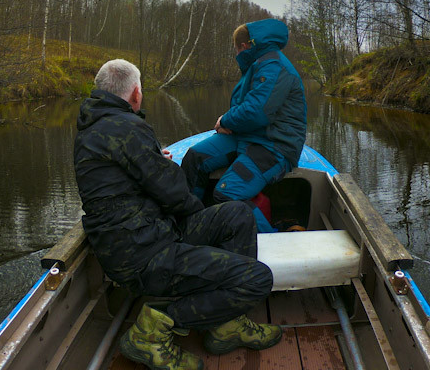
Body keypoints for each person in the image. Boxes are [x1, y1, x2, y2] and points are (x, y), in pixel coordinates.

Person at [73, 59, 282, 370]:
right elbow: (174, 192)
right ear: (135, 94)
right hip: (143, 256)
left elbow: (133, 179)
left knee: (237, 214)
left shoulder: (94, 128)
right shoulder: (129, 127)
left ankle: (226, 325)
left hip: (141, 237)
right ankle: (152, 330)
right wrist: (197, 219)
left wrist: (157, 161)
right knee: (256, 279)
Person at [181, 19, 307, 233]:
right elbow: (247, 108)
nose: (237, 54)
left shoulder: (274, 65)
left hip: (274, 145)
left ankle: (274, 240)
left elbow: (256, 111)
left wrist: (225, 121)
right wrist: (231, 123)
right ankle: (190, 223)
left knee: (227, 193)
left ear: (245, 46)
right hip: (248, 136)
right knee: (195, 158)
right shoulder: (258, 65)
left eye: (237, 49)